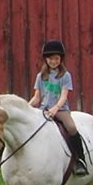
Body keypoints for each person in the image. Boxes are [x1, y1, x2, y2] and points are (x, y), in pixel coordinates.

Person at [29, 40, 88, 176]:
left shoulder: (65, 76)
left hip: (60, 110)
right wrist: (26, 108)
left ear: (61, 59)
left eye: (56, 58)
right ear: (46, 59)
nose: (53, 61)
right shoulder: (41, 76)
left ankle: (80, 160)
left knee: (71, 127)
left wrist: (56, 108)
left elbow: (64, 96)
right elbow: (37, 97)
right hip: (44, 109)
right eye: (50, 59)